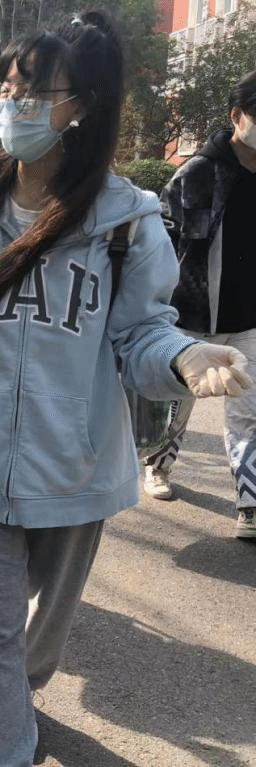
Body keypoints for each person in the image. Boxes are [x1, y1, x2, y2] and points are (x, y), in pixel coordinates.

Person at [0, 13, 251, 766]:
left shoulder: (125, 222)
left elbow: (139, 337)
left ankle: (10, 704)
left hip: (74, 474)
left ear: (80, 107)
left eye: (34, 92)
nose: (14, 105)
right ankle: (0, 744)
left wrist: (183, 356)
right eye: (7, 89)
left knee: (31, 647)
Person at [140, 70, 256, 537]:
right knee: (177, 404)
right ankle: (158, 466)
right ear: (237, 116)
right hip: (193, 315)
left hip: (249, 319)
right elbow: (162, 239)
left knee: (248, 412)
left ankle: (250, 502)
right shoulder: (199, 172)